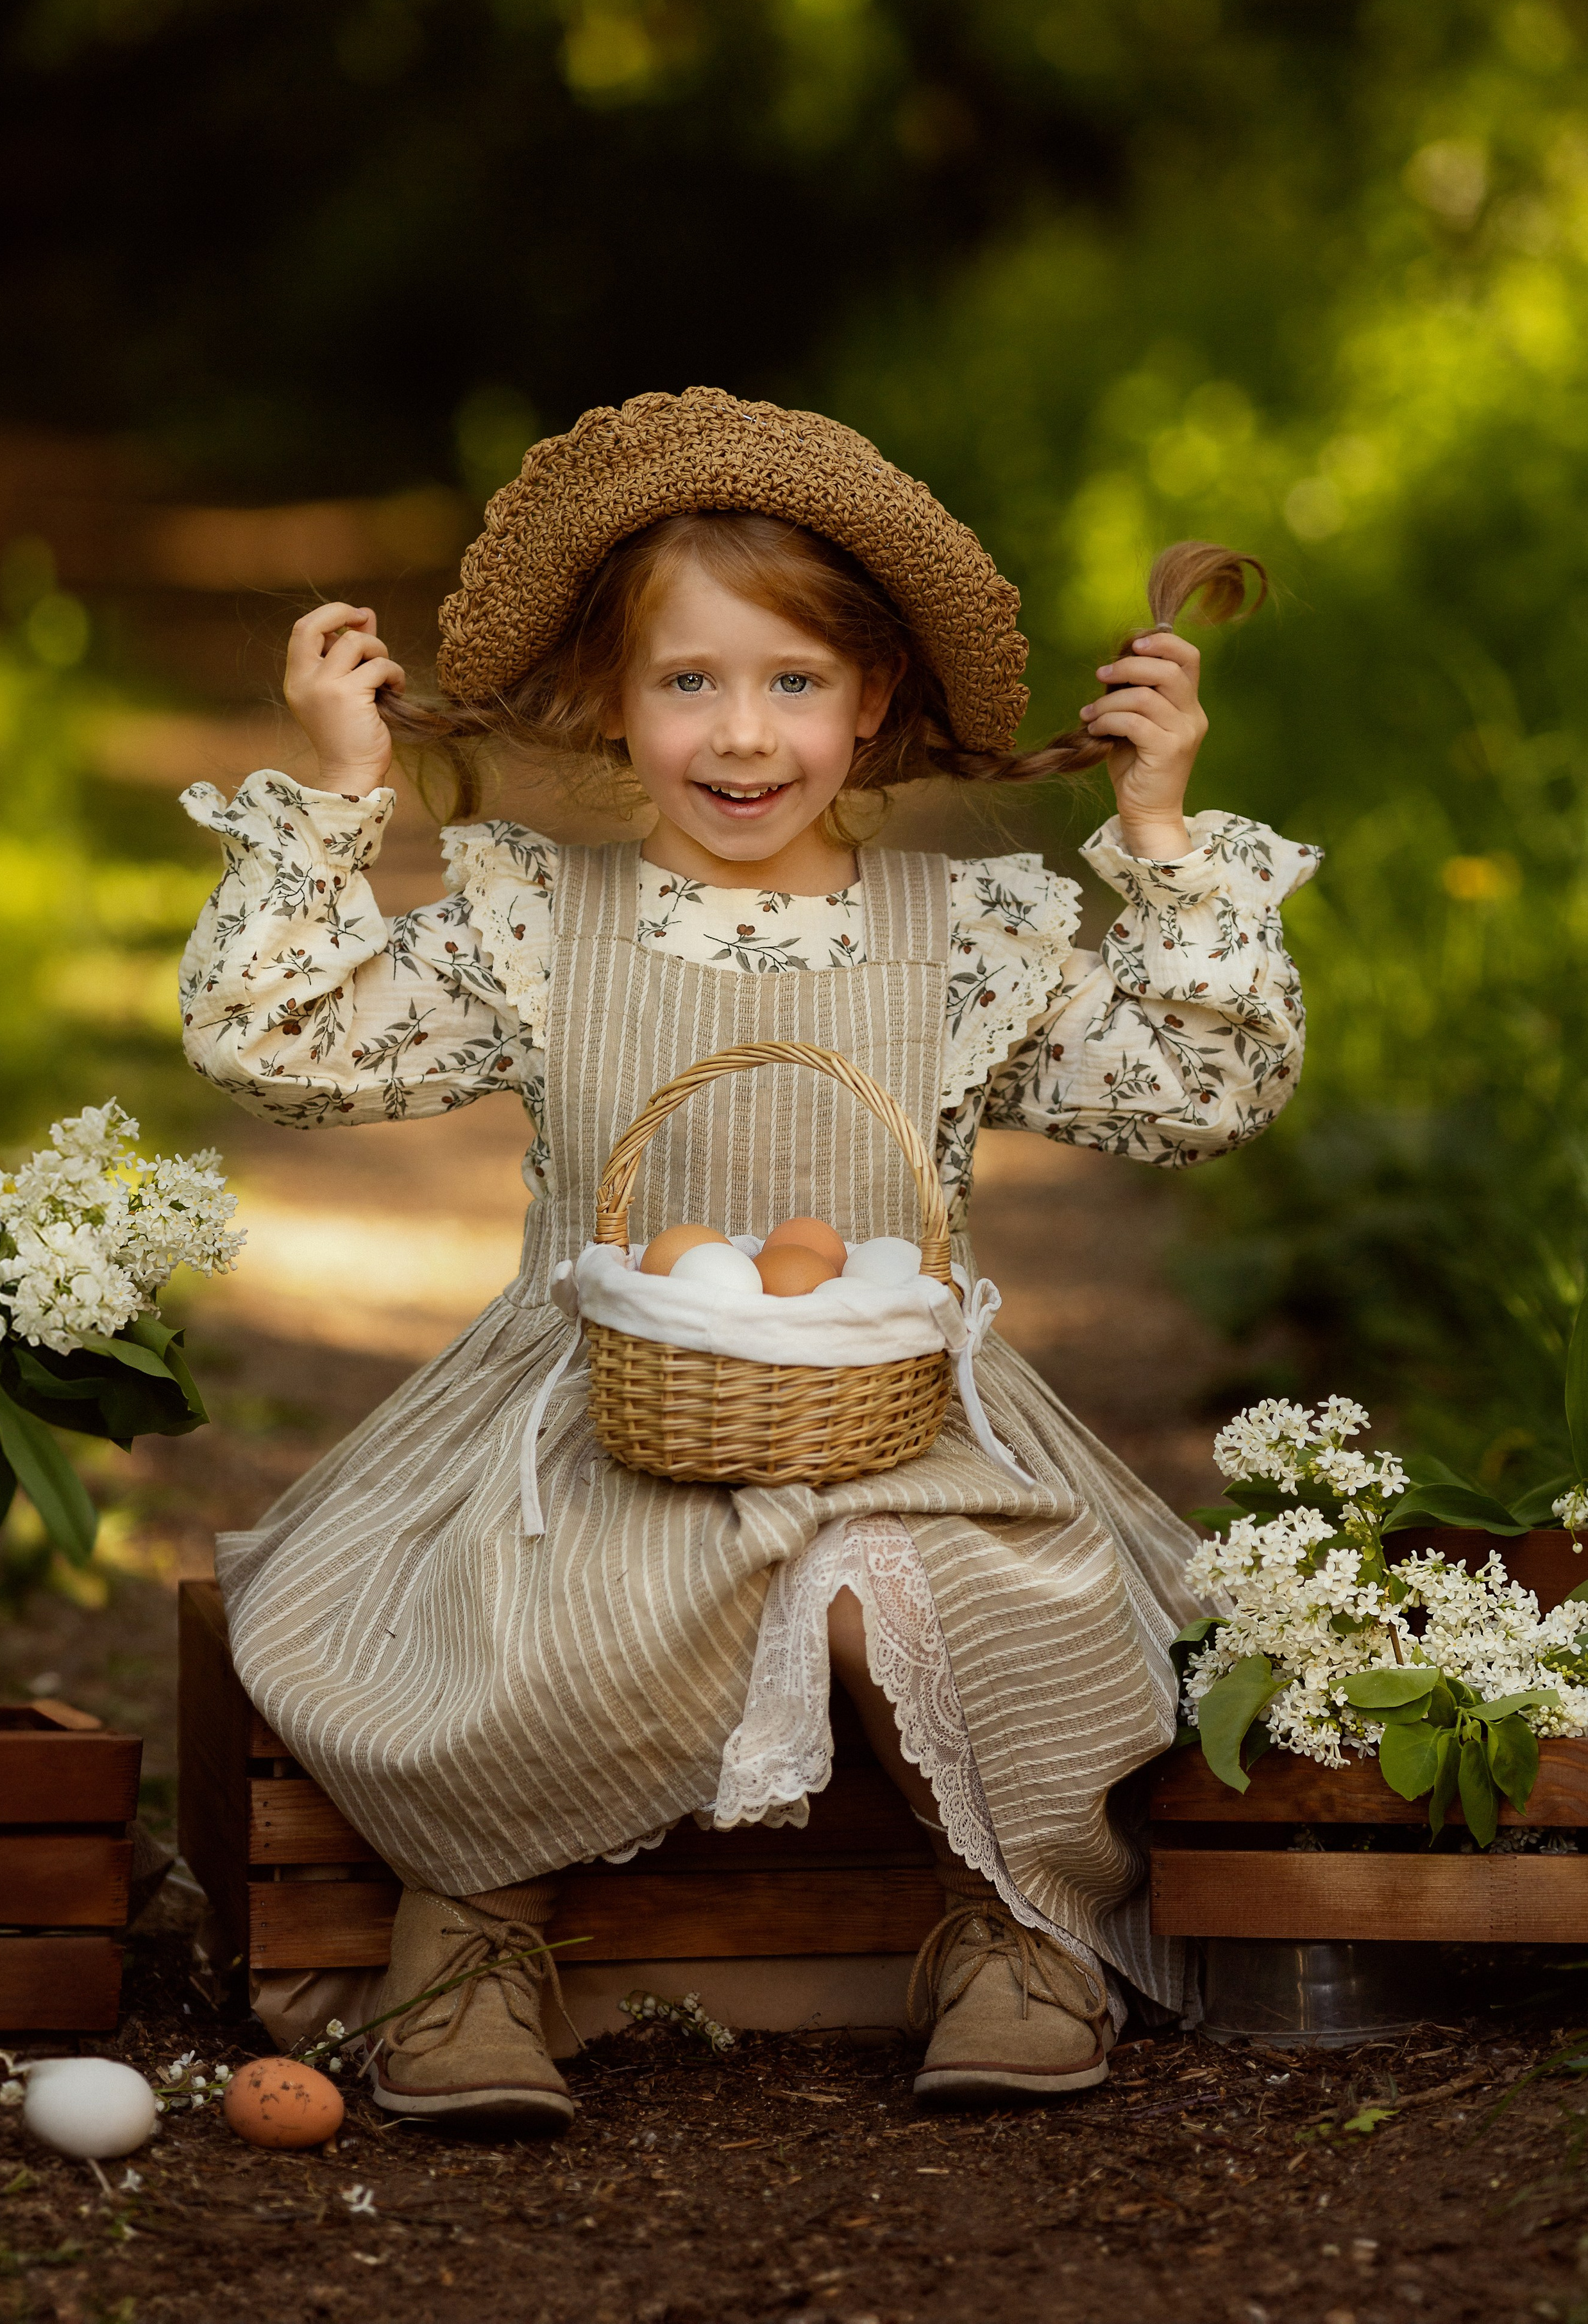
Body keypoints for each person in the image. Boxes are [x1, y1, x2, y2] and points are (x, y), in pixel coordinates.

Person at [180, 387, 1319, 2130]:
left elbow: (1200, 1093)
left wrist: (1160, 833)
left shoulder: (967, 937)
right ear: (612, 705)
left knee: (957, 1595)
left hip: (900, 1415)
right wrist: (347, 792)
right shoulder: (538, 921)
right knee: (535, 1601)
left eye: (793, 682)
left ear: (871, 702)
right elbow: (283, 1045)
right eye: (689, 681)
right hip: (588, 1404)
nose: (742, 733)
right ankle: (474, 1928)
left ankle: (1008, 1926)